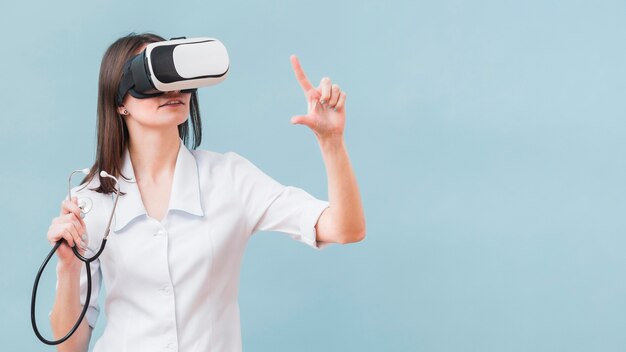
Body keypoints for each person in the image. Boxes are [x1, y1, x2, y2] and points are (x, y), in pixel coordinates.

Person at [46, 32, 365, 352]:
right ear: (119, 102)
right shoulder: (90, 201)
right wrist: (68, 267)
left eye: (175, 75)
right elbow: (69, 348)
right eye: (152, 78)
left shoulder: (230, 178)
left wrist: (332, 142)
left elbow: (346, 229)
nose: (171, 89)